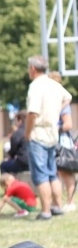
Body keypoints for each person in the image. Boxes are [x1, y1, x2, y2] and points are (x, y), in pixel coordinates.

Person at [25, 55, 72, 220]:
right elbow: (68, 97)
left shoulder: (36, 86)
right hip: (52, 134)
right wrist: (55, 110)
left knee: (41, 175)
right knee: (52, 173)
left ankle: (45, 211)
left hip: (38, 133)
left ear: (32, 68)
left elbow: (32, 113)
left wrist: (27, 133)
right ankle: (57, 206)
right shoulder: (54, 84)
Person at [50, 72, 76, 211]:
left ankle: (70, 202)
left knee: (66, 172)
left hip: (62, 142)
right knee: (56, 172)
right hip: (54, 139)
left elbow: (68, 124)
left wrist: (54, 127)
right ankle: (57, 203)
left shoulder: (63, 103)